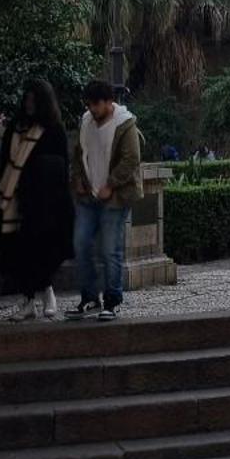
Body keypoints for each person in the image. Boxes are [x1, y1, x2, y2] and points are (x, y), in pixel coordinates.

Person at [0, 79, 73, 320]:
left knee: (43, 248)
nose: (29, 104)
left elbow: (62, 167)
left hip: (45, 202)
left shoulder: (53, 129)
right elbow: (4, 162)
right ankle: (28, 299)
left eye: (33, 100)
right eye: (26, 99)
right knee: (20, 251)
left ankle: (47, 293)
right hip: (17, 198)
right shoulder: (15, 127)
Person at [69, 78, 143, 320]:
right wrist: (79, 177)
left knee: (110, 249)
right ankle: (89, 296)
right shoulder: (86, 121)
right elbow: (79, 153)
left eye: (96, 105)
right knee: (81, 244)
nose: (92, 109)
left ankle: (113, 299)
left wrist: (111, 184)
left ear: (109, 102)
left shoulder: (125, 124)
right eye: (89, 105)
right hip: (89, 194)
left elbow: (131, 159)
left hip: (115, 196)